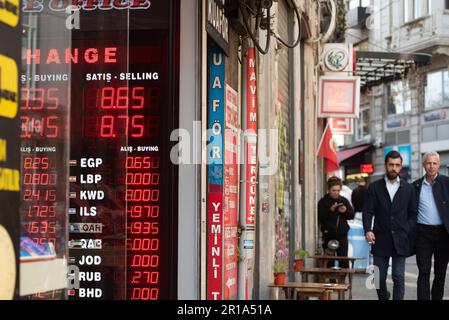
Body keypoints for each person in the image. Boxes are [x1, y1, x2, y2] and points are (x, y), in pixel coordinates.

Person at [362, 150, 417, 300]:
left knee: (398, 277)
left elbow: (413, 213)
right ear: (386, 165)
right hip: (380, 238)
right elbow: (367, 211)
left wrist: (407, 228)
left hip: (401, 239)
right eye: (391, 164)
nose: (394, 168)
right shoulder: (374, 187)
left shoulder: (409, 188)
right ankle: (384, 297)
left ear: (401, 167)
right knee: (379, 279)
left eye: (397, 165)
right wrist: (367, 230)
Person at [413, 151, 449, 300]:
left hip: (443, 234)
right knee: (423, 273)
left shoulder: (447, 183)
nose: (431, 166)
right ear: (423, 165)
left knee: (440, 274)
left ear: (439, 165)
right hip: (423, 233)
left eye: (434, 163)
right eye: (428, 163)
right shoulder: (415, 186)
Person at [318, 176, 355, 268]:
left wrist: (345, 211)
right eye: (333, 190)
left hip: (341, 234)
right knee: (330, 261)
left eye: (338, 190)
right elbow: (321, 217)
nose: (336, 193)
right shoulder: (323, 202)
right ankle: (330, 280)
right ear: (329, 190)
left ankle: (342, 280)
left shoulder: (343, 200)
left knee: (343, 259)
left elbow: (351, 215)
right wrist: (331, 210)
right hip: (329, 234)